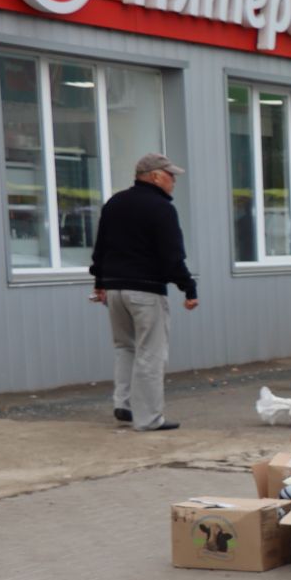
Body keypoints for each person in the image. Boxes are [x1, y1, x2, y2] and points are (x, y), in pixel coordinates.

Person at [90, 154, 196, 431]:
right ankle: (149, 418)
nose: (173, 181)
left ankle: (123, 405)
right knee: (151, 352)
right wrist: (188, 287)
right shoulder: (161, 208)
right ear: (155, 176)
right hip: (146, 291)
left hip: (114, 290)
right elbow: (171, 254)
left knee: (124, 347)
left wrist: (100, 282)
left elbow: (101, 246)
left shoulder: (115, 203)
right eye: (170, 175)